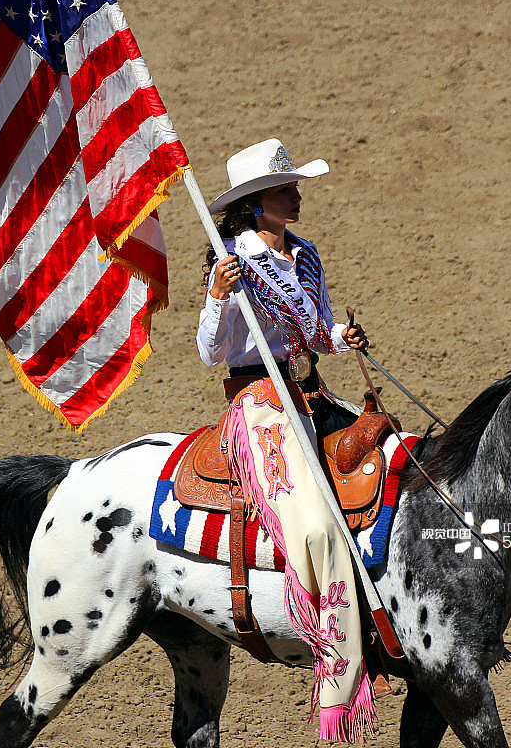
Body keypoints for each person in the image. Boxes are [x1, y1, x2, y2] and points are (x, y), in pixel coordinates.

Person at [196, 138, 374, 742]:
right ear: (254, 204)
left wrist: (341, 335)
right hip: (261, 405)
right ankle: (334, 669)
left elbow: (317, 331)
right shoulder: (230, 259)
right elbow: (209, 352)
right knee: (317, 528)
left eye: (293, 187)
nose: (296, 195)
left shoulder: (306, 255)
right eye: (284, 189)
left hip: (311, 394)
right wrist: (220, 299)